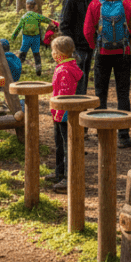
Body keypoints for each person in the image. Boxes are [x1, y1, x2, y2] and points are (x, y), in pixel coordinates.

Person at [83, 0, 131, 148]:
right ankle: (123, 136)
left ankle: (102, 132)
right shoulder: (127, 3)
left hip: (102, 53)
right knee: (123, 93)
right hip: (123, 54)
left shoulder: (95, 3)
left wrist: (96, 47)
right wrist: (127, 44)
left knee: (100, 92)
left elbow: (87, 30)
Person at [48, 36, 82, 192]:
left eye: (53, 50)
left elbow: (64, 96)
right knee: (59, 144)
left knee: (67, 146)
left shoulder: (65, 70)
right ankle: (59, 172)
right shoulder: (64, 66)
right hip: (59, 113)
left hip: (63, 113)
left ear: (59, 53)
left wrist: (59, 112)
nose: (52, 54)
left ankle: (69, 178)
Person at [60, 0, 96, 94]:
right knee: (77, 78)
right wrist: (71, 47)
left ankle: (82, 106)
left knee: (85, 77)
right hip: (76, 46)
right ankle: (75, 108)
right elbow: (64, 25)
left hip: (89, 45)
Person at [11, 0, 55, 76]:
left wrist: (13, 37)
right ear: (34, 7)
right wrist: (53, 24)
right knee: (36, 54)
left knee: (22, 54)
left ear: (26, 7)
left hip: (26, 38)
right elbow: (47, 20)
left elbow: (18, 27)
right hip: (36, 38)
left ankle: (17, 69)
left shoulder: (24, 17)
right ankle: (38, 71)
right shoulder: (37, 16)